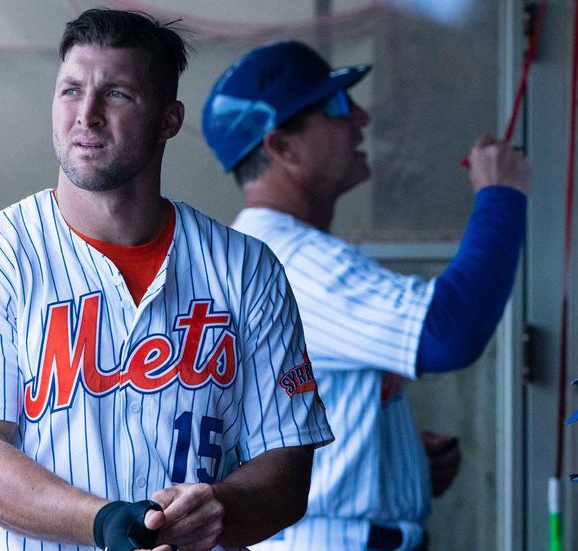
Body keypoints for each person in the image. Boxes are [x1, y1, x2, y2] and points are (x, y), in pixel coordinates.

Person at [0, 10, 335, 551]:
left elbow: (288, 465)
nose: (86, 115)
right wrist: (104, 520)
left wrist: (221, 508)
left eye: (116, 94)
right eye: (70, 90)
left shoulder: (246, 268)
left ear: (168, 120)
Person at [202, 40, 530, 550]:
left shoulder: (257, 253)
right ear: (282, 147)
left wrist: (392, 457)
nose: (359, 116)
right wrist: (501, 196)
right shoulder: (296, 261)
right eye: (334, 106)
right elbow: (448, 330)